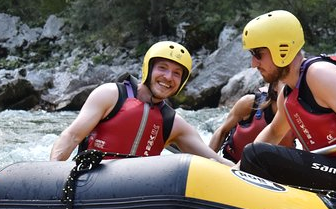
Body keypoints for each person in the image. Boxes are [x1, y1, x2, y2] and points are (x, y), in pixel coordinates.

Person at [239, 9, 336, 200]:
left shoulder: (319, 75)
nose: (254, 64)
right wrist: (236, 170)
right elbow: (274, 133)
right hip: (333, 167)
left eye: (258, 54)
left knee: (256, 154)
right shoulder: (287, 94)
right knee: (252, 154)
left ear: (281, 49)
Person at [50, 40, 233, 166]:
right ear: (148, 69)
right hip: (90, 184)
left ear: (182, 82)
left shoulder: (174, 123)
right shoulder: (110, 94)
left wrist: (242, 170)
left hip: (136, 196)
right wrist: (51, 176)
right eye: (162, 68)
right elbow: (71, 136)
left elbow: (213, 161)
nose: (168, 77)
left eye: (177, 73)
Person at [208, 81, 295, 162]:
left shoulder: (297, 117)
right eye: (286, 84)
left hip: (267, 174)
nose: (291, 89)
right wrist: (206, 160)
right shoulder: (249, 103)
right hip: (232, 161)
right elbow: (222, 131)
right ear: (275, 86)